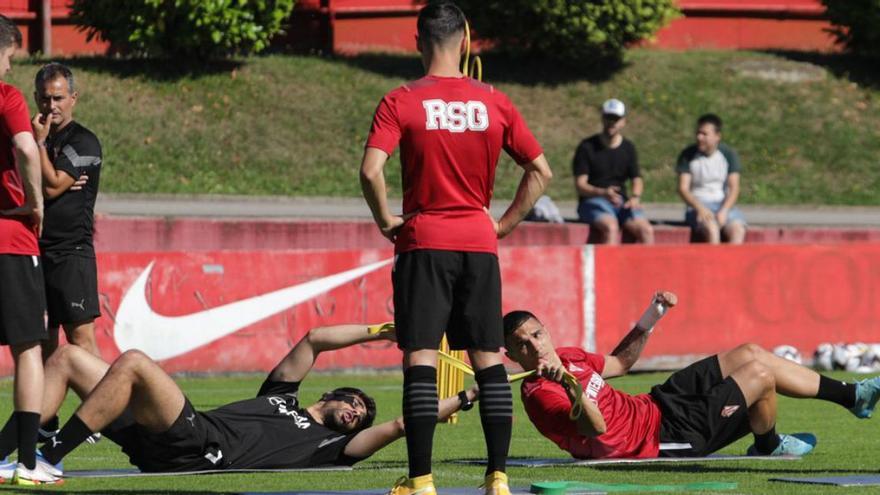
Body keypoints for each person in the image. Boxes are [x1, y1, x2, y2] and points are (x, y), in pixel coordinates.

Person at [359, 2, 552, 493]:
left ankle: (422, 481)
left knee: (421, 357)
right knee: (488, 358)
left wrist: (386, 220)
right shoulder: (495, 101)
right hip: (478, 245)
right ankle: (498, 479)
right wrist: (502, 225)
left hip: (424, 242)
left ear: (418, 40)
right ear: (465, 41)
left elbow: (370, 171)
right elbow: (541, 172)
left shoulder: (400, 99)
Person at [0, 323, 479, 482]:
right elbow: (313, 340)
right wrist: (379, 331)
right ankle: (11, 454)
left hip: (198, 444)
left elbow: (398, 425)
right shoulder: (279, 395)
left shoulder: (330, 447)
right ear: (330, 395)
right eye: (355, 404)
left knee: (134, 363)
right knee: (67, 357)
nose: (357, 414)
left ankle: (50, 456)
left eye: (359, 419)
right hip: (165, 438)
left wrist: (464, 395)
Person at [502, 292, 880, 460]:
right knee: (759, 376)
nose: (535, 347)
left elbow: (620, 363)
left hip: (656, 405)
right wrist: (568, 386)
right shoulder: (538, 393)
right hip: (660, 439)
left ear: (546, 331)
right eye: (523, 346)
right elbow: (596, 429)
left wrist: (652, 316)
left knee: (749, 352)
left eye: (537, 335)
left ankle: (854, 396)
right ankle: (768, 446)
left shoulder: (569, 356)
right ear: (513, 355)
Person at [30, 62, 103, 444]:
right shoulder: (30, 138)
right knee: (43, 337)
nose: (51, 104)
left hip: (71, 253)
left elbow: (55, 185)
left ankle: (108, 411)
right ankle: (47, 415)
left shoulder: (84, 142)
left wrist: (39, 149)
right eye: (44, 97)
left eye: (59, 97)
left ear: (73, 98)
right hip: (35, 251)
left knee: (81, 341)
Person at [0, 13, 51, 486]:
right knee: (29, 349)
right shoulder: (6, 96)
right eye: (11, 56)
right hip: (9, 239)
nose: (11, 68)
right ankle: (27, 464)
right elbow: (24, 149)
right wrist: (34, 203)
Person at [572, 98, 653, 245]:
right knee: (611, 227)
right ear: (602, 118)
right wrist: (603, 192)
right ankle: (609, 268)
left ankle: (648, 268)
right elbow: (580, 185)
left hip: (621, 202)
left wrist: (635, 197)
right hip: (592, 201)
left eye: (616, 119)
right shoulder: (587, 147)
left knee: (646, 230)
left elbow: (637, 178)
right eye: (608, 117)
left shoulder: (628, 148)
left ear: (623, 121)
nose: (612, 122)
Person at [676, 114, 746, 244]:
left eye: (704, 134)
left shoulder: (728, 155)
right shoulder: (688, 155)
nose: (699, 137)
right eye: (698, 133)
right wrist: (699, 208)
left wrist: (724, 210)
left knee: (737, 230)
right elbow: (683, 188)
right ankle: (714, 263)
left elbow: (734, 187)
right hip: (698, 205)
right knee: (712, 230)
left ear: (717, 136)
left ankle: (733, 264)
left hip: (722, 203)